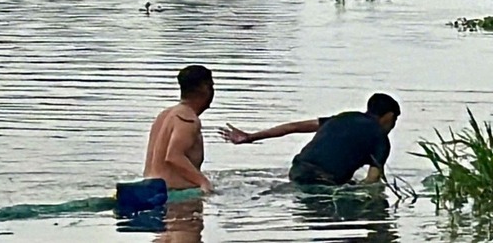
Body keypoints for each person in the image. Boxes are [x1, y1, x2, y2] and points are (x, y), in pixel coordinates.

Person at [221, 93, 400, 186]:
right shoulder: (380, 139)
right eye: (394, 120)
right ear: (389, 116)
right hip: (324, 181)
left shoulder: (341, 117)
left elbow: (293, 127)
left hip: (298, 169)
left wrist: (250, 137)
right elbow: (371, 182)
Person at [142, 65, 215, 194]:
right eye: (212, 86)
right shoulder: (187, 119)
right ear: (204, 88)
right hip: (173, 196)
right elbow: (173, 156)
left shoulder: (165, 114)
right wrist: (203, 182)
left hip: (150, 187)